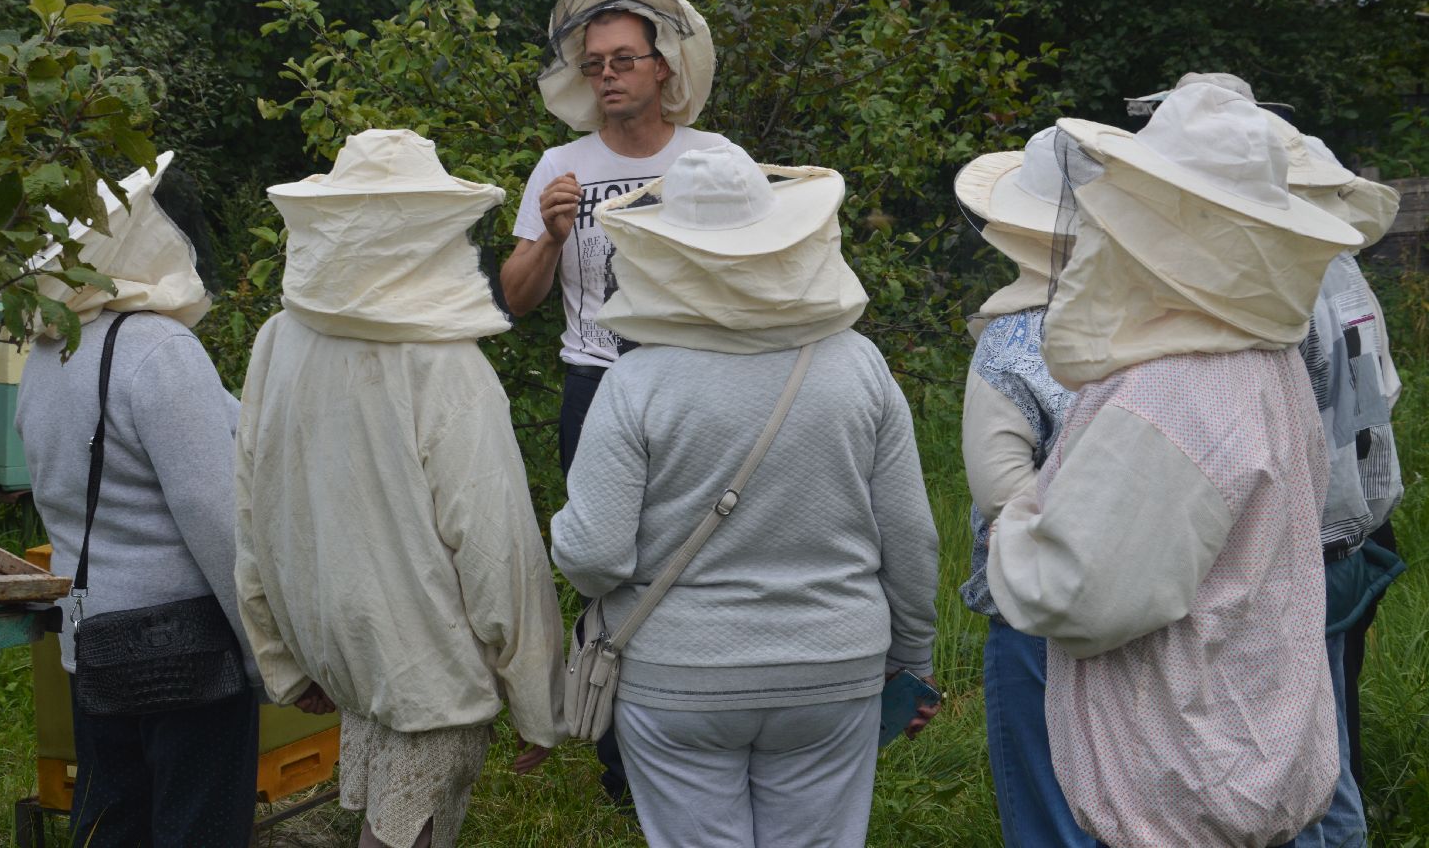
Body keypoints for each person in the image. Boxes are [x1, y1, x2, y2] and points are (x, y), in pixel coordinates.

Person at [983, 82, 1364, 848]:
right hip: (1242, 750)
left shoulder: (1175, 386)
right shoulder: (1263, 352)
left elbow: (1075, 592)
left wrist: (1019, 522)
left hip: (1189, 784)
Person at [551, 143, 941, 848]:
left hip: (678, 678)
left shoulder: (634, 383)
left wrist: (563, 531)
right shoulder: (859, 363)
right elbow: (910, 535)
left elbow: (596, 556)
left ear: (663, 253)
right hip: (835, 666)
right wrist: (914, 660)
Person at [234, 129, 567, 848]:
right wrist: (538, 699)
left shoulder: (278, 339)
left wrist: (288, 657)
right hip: (429, 670)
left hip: (346, 651)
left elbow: (252, 513)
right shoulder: (444, 365)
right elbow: (495, 543)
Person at [499, 0, 726, 801]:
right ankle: (622, 753)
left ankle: (703, 730)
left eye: (624, 58)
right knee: (606, 567)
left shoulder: (716, 161)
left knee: (699, 555)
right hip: (593, 386)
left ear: (664, 66)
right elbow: (515, 299)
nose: (608, 74)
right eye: (594, 63)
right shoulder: (560, 167)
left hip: (698, 383)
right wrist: (552, 237)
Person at [16, 151, 262, 848]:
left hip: (91, 646)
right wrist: (269, 654)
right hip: (188, 661)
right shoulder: (157, 348)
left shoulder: (50, 352)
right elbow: (220, 523)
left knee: (111, 833)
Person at [1262, 114, 1405, 848]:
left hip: (1305, 549)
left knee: (1296, 764)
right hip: (1356, 536)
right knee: (1332, 748)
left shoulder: (1285, 295)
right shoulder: (1346, 276)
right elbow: (1385, 394)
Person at [953, 127, 1097, 848]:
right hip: (1160, 598)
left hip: (1039, 610)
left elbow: (1000, 493)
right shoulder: (1167, 320)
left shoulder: (1009, 342)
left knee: (1050, 813)